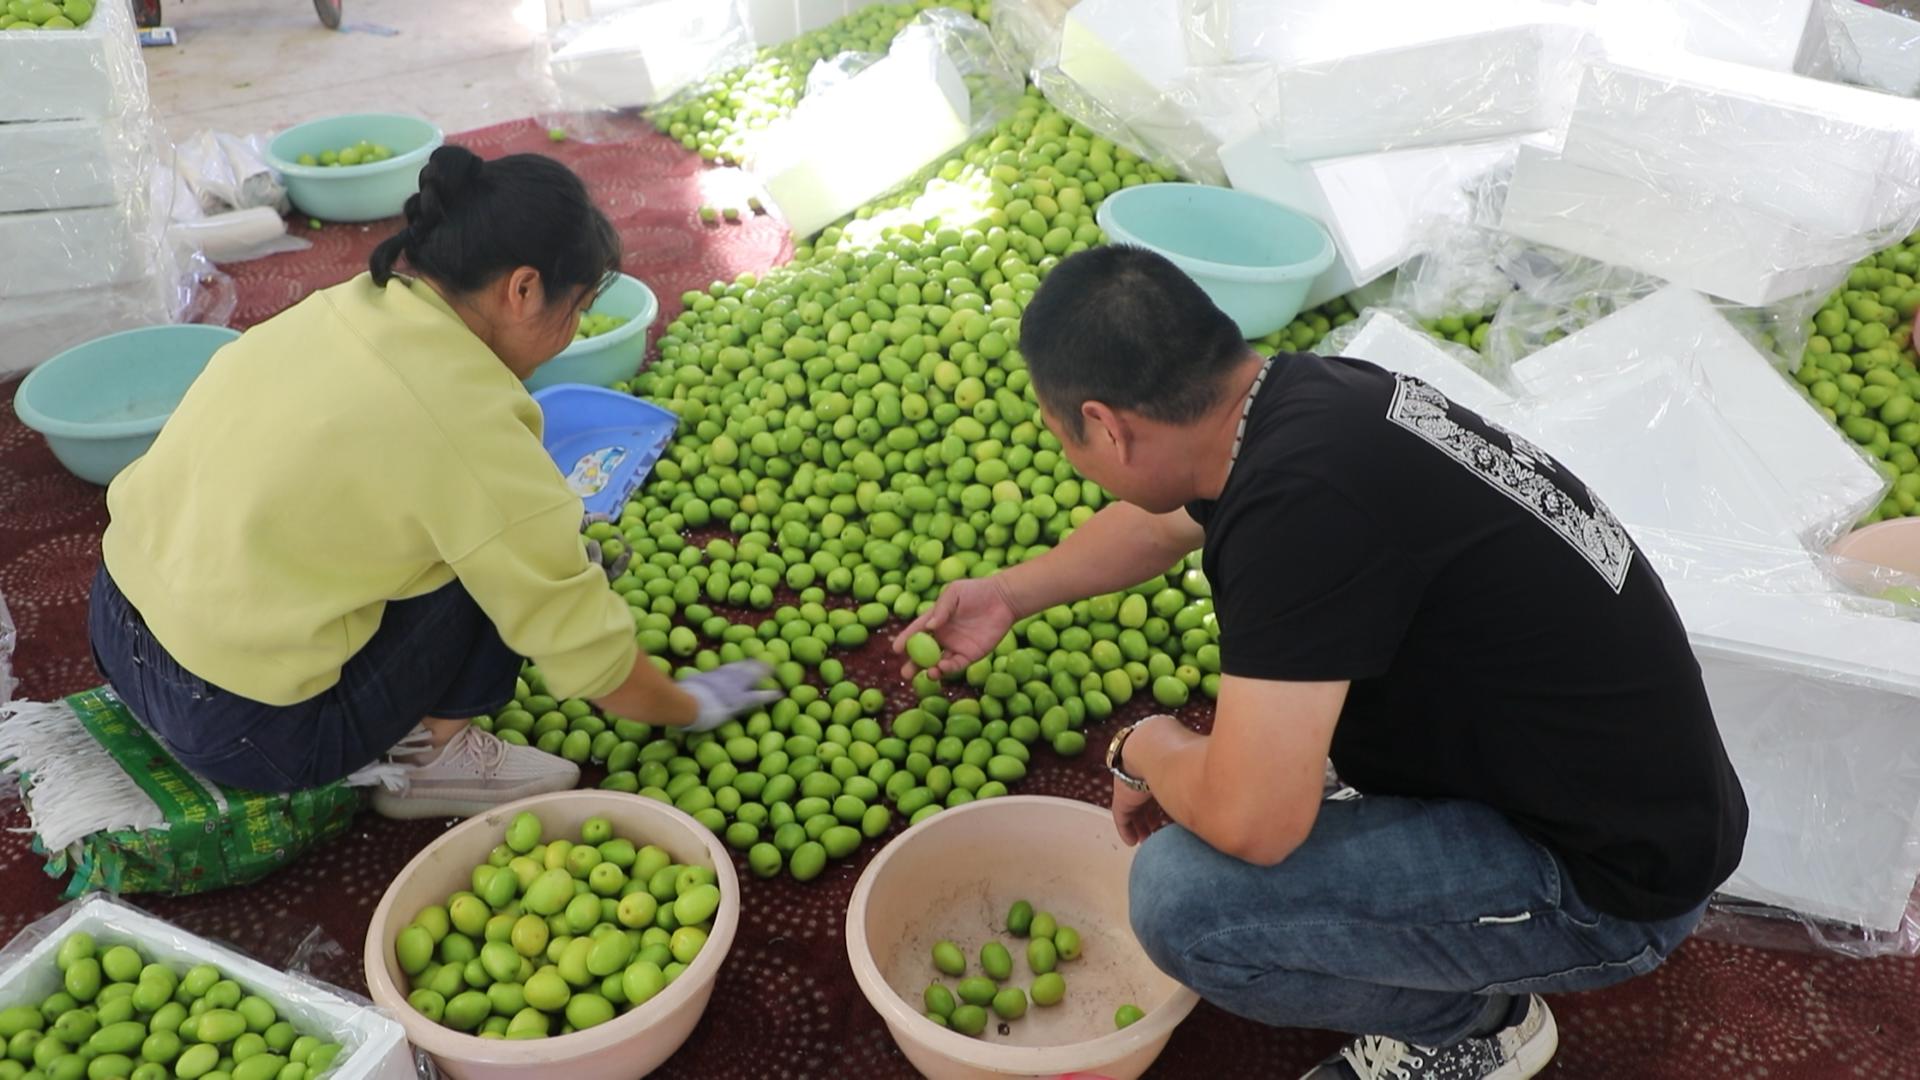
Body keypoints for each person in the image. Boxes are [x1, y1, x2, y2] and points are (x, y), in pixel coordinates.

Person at [895, 245, 1748, 1080]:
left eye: (1066, 441)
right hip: (1625, 789)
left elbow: (1254, 822)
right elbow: (1164, 522)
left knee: (1184, 902)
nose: (1076, 464)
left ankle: (1473, 1030)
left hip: (1610, 882)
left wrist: (1148, 747)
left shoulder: (1298, 514)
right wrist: (1009, 592)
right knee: (1256, 787)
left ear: (1105, 428)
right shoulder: (1301, 403)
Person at [90, 146, 777, 819]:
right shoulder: (473, 429)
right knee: (503, 553)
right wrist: (692, 705)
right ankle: (434, 760)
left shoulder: (349, 305)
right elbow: (590, 658)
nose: (570, 335)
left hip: (118, 623)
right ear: (524, 288)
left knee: (491, 529)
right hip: (243, 729)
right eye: (576, 312)